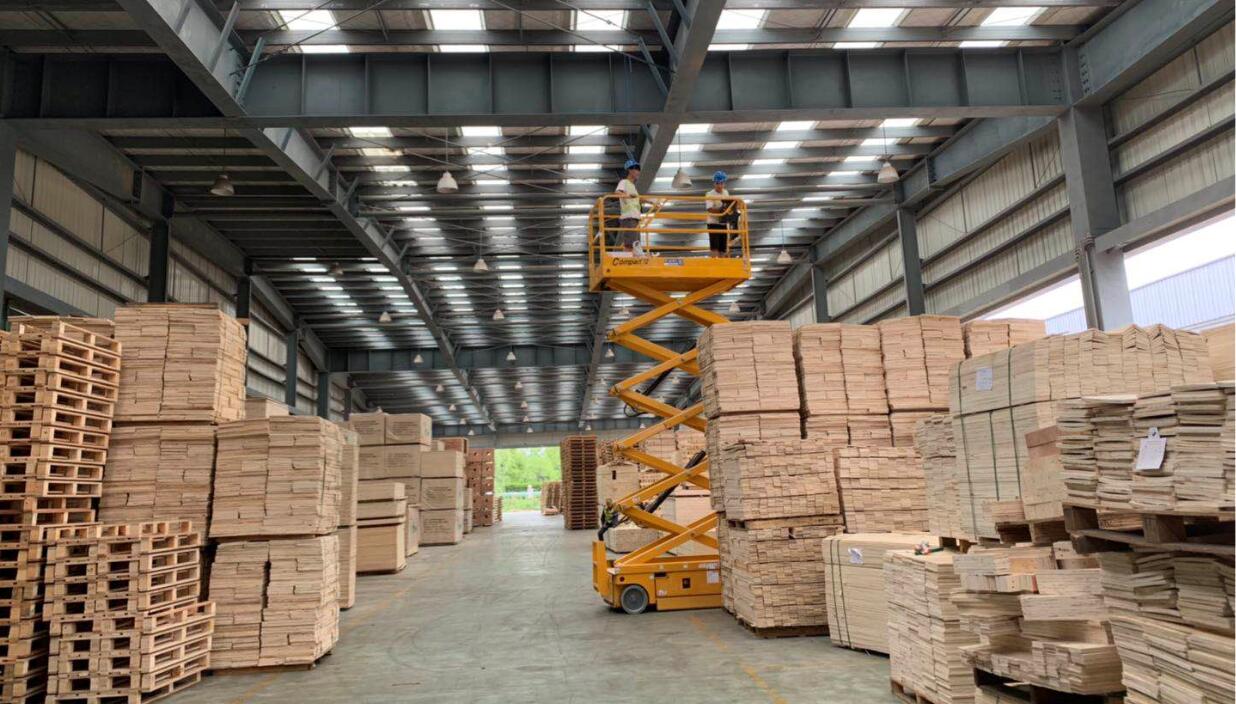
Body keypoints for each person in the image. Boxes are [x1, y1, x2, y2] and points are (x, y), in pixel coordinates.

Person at [614, 159, 644, 257]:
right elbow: (617, 192)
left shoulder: (633, 186)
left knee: (635, 242)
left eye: (639, 169)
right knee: (630, 243)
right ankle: (627, 260)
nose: (638, 172)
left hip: (635, 217)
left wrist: (651, 201)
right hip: (629, 216)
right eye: (636, 169)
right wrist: (628, 195)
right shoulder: (624, 182)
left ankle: (634, 258)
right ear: (630, 170)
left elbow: (638, 199)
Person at [705, 171, 735, 257]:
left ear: (724, 183)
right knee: (715, 247)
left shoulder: (726, 193)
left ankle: (723, 262)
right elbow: (710, 209)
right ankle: (715, 263)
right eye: (717, 183)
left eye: (721, 183)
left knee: (723, 248)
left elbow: (729, 206)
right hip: (713, 223)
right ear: (714, 183)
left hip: (723, 223)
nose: (719, 186)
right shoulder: (710, 194)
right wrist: (722, 210)